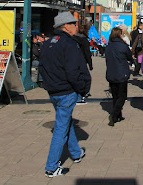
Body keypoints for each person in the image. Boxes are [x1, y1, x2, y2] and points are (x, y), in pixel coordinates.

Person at [39, 12, 90, 177]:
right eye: (74, 23)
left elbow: (42, 69)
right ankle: (51, 167)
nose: (76, 26)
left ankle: (75, 153)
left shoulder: (47, 44)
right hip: (66, 91)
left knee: (65, 122)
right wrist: (82, 89)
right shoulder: (69, 44)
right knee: (60, 129)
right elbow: (73, 71)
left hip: (53, 90)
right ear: (66, 26)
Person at [105, 27, 132, 126]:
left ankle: (118, 116)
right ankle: (114, 114)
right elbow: (129, 56)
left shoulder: (109, 46)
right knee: (122, 96)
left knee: (115, 96)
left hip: (111, 73)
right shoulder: (123, 46)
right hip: (121, 73)